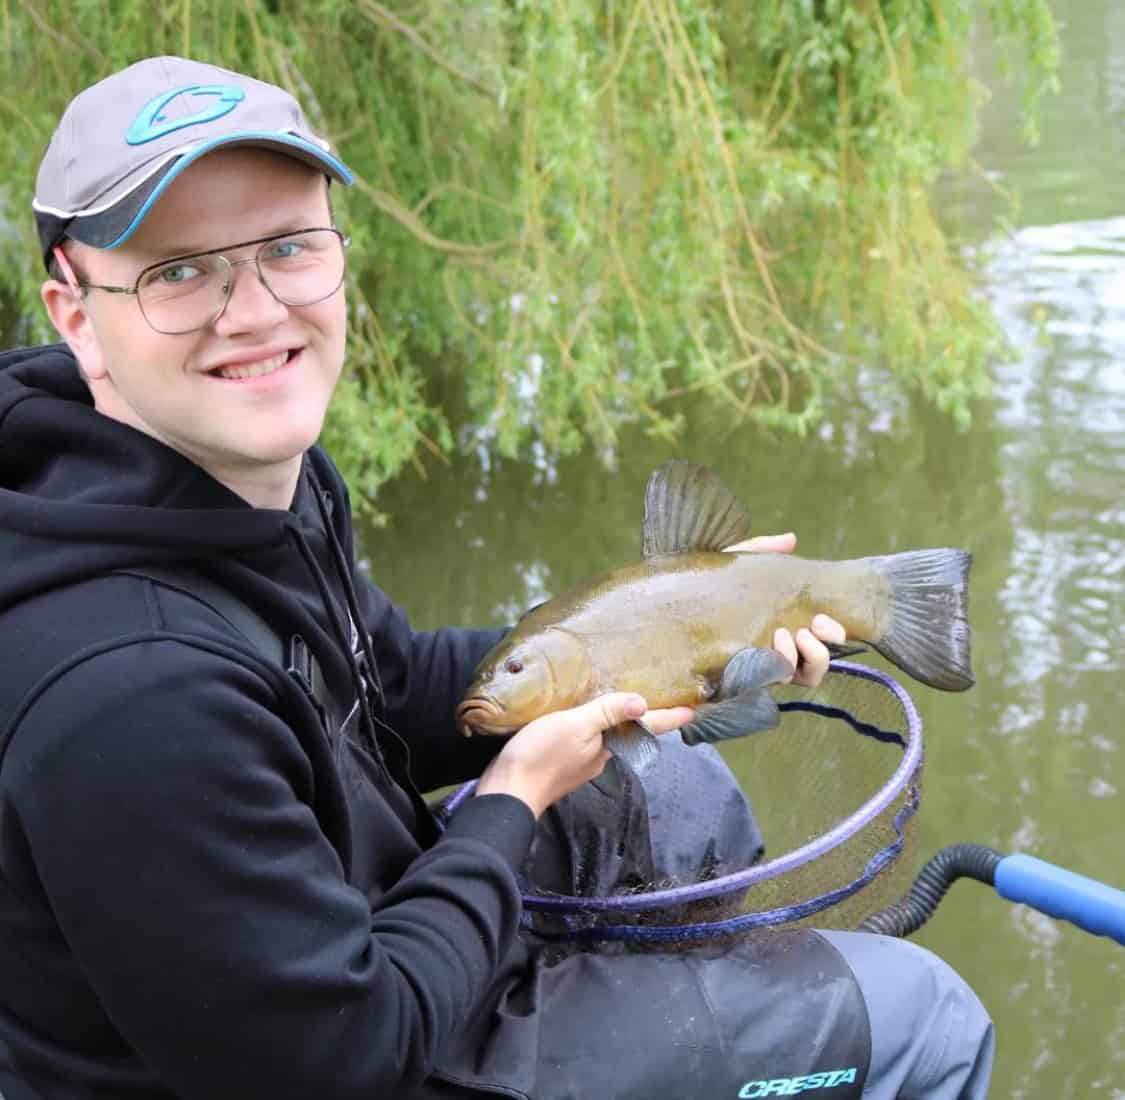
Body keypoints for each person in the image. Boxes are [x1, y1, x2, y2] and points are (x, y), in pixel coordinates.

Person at [0, 57, 994, 1099]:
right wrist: (510, 798)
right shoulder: (127, 696)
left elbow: (378, 683)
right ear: (73, 309)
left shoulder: (220, 481)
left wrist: (639, 634)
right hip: (361, 1045)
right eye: (180, 271)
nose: (252, 312)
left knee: (680, 777)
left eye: (286, 247)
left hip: (362, 926)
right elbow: (346, 1057)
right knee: (927, 1018)